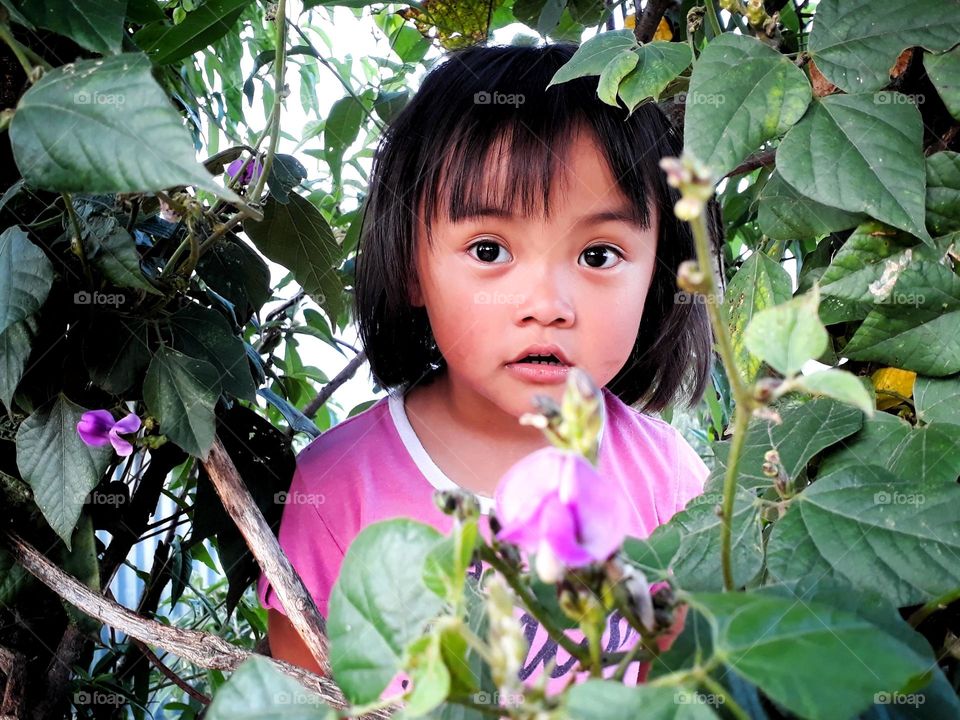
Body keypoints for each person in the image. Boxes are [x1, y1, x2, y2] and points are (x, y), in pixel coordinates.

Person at [258, 40, 717, 700]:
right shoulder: (334, 490)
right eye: (489, 248)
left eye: (598, 255)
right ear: (413, 265)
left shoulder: (671, 482)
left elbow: (680, 693)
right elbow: (300, 702)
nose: (547, 307)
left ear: (659, 272)